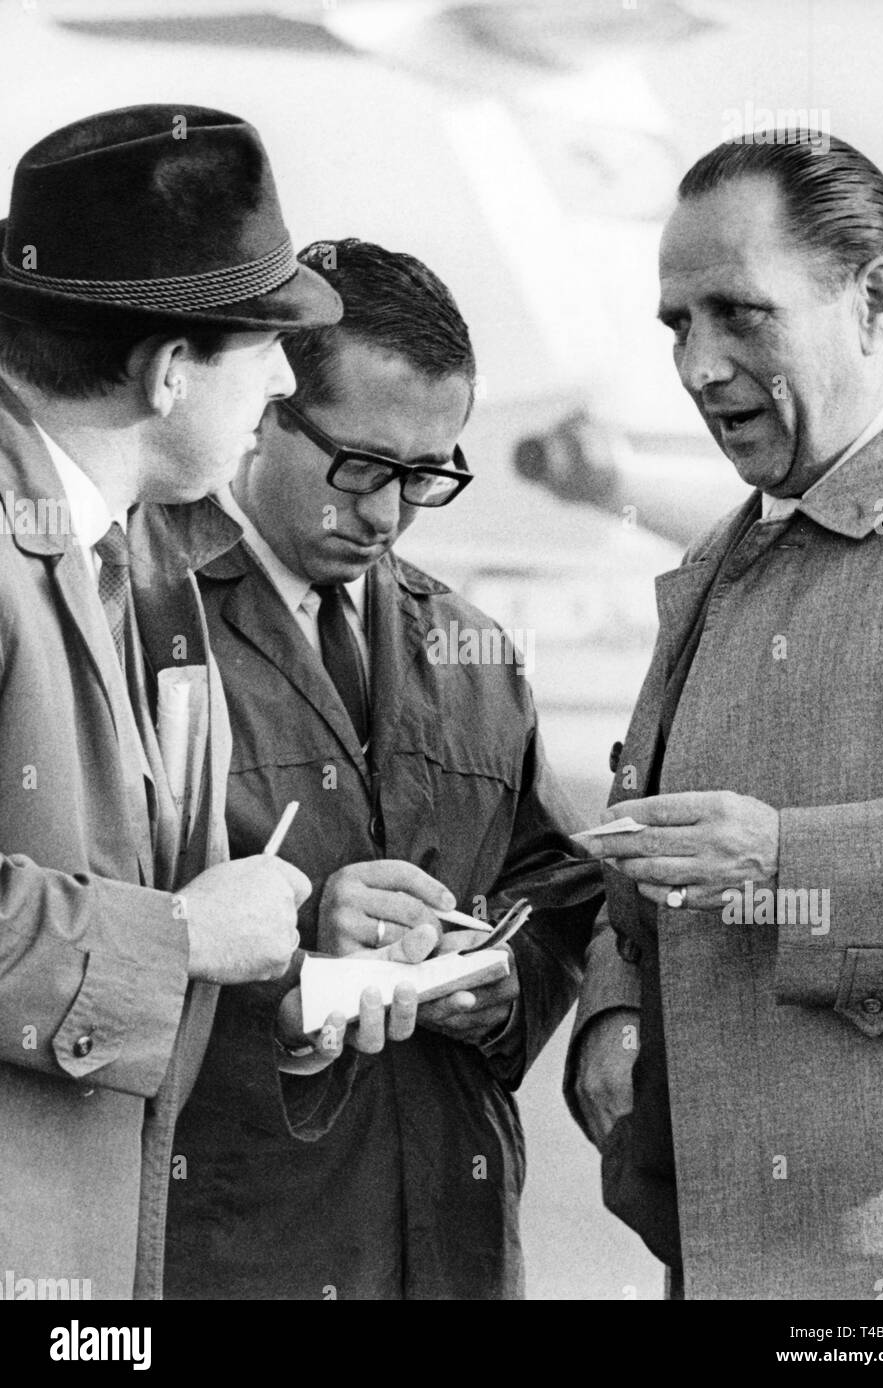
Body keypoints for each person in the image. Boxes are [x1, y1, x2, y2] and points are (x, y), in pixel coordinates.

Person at [0, 106, 421, 1303]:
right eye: (268, 344)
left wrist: (281, 971)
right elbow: (148, 927)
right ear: (170, 368)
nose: (288, 383)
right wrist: (183, 938)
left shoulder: (132, 561)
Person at [163, 238, 603, 1301]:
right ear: (267, 405)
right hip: (241, 1241)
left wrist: (502, 986)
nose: (388, 513)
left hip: (450, 1240)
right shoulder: (137, 618)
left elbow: (556, 887)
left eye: (426, 475)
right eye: (360, 467)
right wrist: (298, 962)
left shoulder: (474, 651)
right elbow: (84, 932)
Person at [566, 130, 883, 1300]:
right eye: (678, 325)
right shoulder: (718, 559)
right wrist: (612, 1007)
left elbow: (748, 856)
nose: (698, 367)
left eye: (740, 313)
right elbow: (638, 853)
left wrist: (790, 860)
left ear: (874, 301)